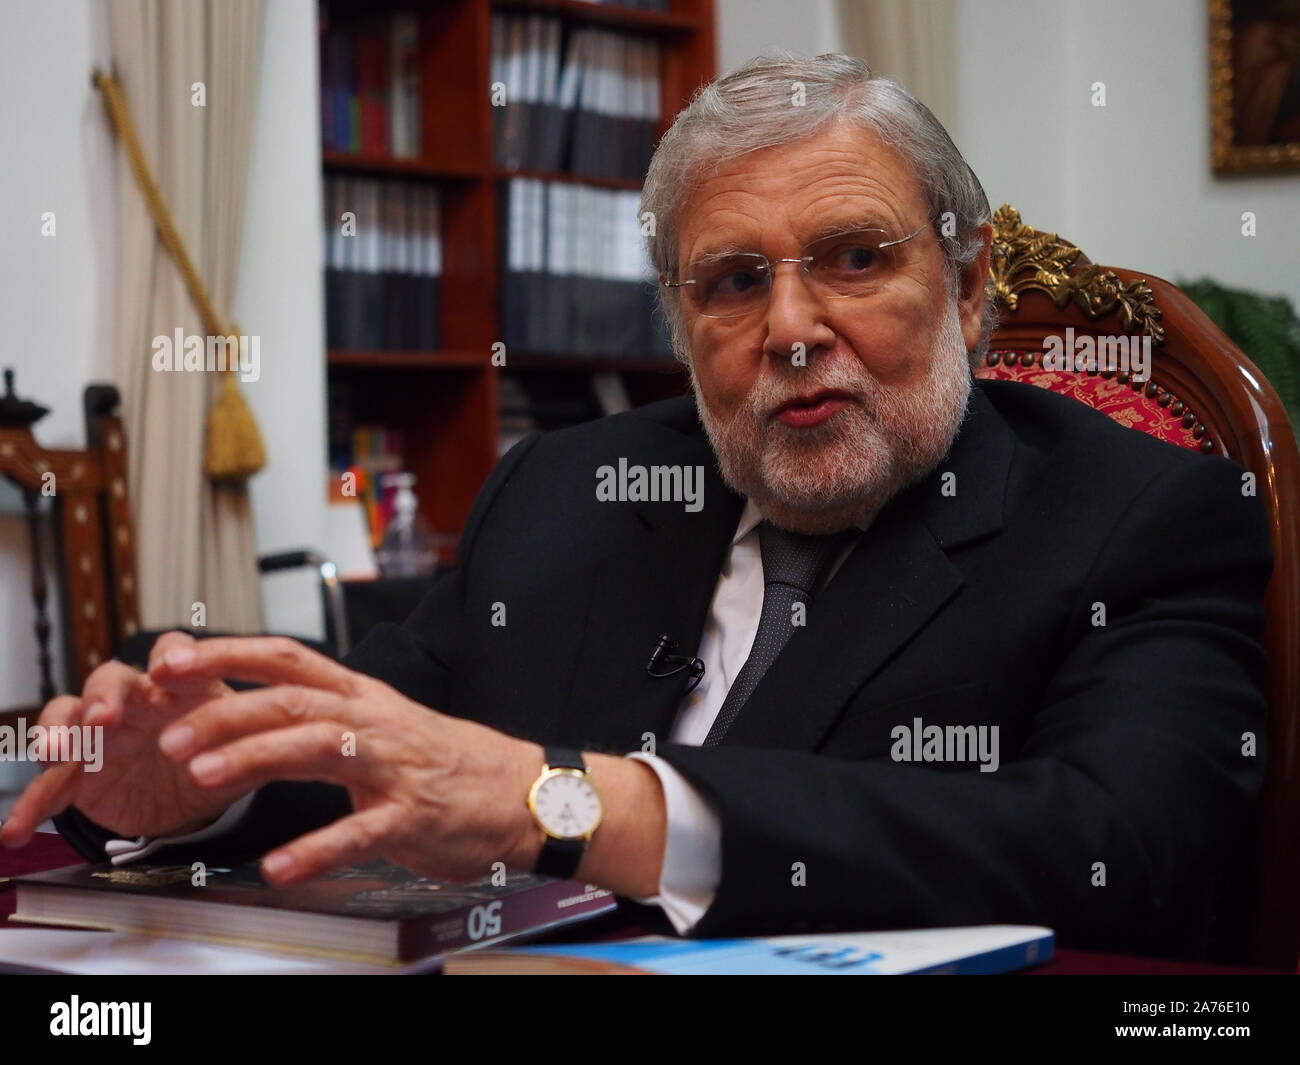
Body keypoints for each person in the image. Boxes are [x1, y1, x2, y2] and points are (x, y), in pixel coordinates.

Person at [1, 53, 1272, 958]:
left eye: (855, 258)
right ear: (679, 325)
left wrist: (576, 806)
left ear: (971, 283)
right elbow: (389, 747)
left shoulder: (1137, 513)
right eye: (730, 282)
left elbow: (1128, 845)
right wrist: (199, 782)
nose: (790, 330)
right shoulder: (569, 489)